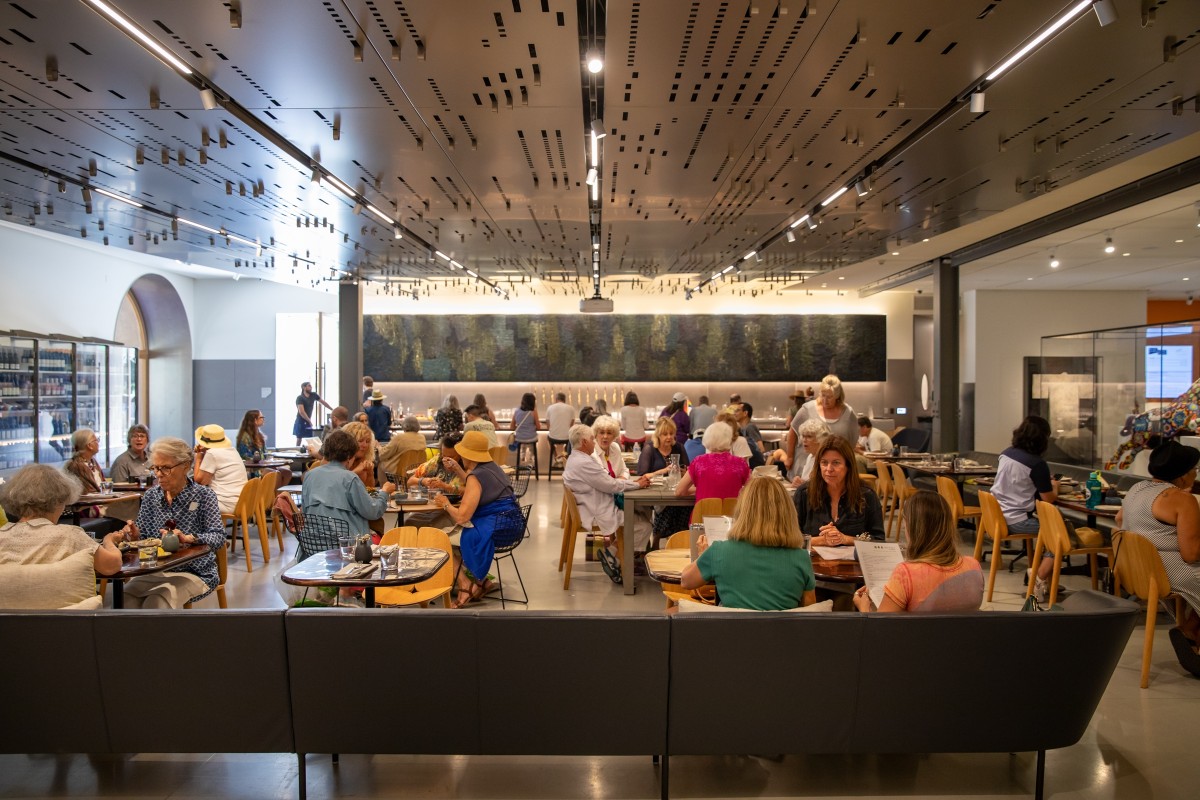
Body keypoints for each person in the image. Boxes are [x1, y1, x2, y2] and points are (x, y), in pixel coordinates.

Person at [1115, 440, 1200, 675]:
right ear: (1182, 475)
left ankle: (1191, 632)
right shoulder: (1183, 500)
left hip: (1138, 570)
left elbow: (1119, 520)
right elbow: (1191, 553)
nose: (1196, 473)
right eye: (1194, 469)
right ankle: (1190, 630)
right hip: (1167, 572)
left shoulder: (1136, 489)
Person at [118, 437, 226, 608]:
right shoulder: (151, 496)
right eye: (156, 468)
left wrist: (189, 538)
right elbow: (144, 537)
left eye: (166, 468)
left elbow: (218, 537)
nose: (159, 474)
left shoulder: (204, 495)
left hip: (195, 571)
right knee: (122, 601)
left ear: (186, 466)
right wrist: (135, 535)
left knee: (157, 602)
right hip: (154, 570)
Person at [680, 477, 816, 611]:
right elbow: (809, 611)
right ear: (788, 513)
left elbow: (686, 581)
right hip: (782, 626)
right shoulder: (802, 558)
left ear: (743, 510)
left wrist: (703, 556)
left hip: (733, 625)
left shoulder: (719, 551)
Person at [0, 465, 124, 609]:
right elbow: (112, 565)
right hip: (65, 621)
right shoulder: (70, 536)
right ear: (58, 501)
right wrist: (109, 541)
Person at [430, 430, 522, 607]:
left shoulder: (476, 476)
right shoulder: (492, 468)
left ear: (466, 455)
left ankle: (465, 584)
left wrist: (445, 503)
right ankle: (482, 582)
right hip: (512, 524)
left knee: (438, 539)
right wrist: (458, 470)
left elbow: (462, 517)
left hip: (497, 530)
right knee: (455, 536)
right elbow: (477, 483)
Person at [853, 491, 984, 613]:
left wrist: (864, 608)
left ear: (912, 528)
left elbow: (880, 627)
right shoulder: (974, 567)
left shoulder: (905, 574)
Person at [563, 424, 652, 580]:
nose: (594, 442)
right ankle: (615, 558)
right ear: (584, 442)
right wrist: (637, 484)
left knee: (640, 515)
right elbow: (611, 485)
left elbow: (610, 481)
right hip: (595, 510)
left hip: (589, 505)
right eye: (592, 439)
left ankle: (613, 555)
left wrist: (632, 483)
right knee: (644, 526)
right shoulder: (585, 463)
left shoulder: (575, 458)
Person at [990, 415, 1061, 601]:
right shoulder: (1037, 464)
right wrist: (1055, 487)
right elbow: (1048, 499)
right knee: (1060, 534)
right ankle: (1039, 576)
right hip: (1017, 520)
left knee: (1054, 529)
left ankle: (1047, 578)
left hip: (997, 516)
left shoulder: (1006, 454)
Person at [301, 429, 395, 557]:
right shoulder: (350, 478)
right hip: (347, 549)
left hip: (313, 547)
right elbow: (372, 512)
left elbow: (305, 511)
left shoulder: (309, 476)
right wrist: (384, 492)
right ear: (349, 457)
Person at [796, 435, 886, 543]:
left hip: (853, 554)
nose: (829, 469)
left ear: (848, 466)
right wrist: (822, 540)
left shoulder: (866, 494)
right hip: (813, 554)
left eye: (836, 463)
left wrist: (846, 539)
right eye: (824, 462)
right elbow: (791, 539)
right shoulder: (804, 493)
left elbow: (879, 539)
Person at [784, 375, 857, 479]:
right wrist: (789, 457)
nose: (825, 400)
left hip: (832, 469)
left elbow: (852, 442)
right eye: (823, 395)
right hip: (805, 464)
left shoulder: (848, 413)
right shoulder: (807, 409)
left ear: (837, 396)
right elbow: (793, 432)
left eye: (829, 397)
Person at [638, 417, 691, 548]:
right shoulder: (650, 449)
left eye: (671, 434)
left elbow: (688, 470)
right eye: (665, 434)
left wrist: (683, 472)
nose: (669, 437)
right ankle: (657, 540)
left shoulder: (679, 447)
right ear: (658, 435)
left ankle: (678, 540)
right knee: (668, 506)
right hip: (654, 491)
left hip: (675, 489)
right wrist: (665, 470)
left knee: (686, 505)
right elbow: (643, 476)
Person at [675, 423, 750, 502]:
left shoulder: (698, 462)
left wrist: (699, 489)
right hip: (733, 510)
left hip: (703, 509)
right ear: (729, 439)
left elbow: (679, 491)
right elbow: (753, 491)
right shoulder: (740, 463)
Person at [192, 424, 248, 515]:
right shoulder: (232, 450)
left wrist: (198, 457)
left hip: (226, 504)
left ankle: (188, 522)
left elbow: (199, 482)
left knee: (192, 501)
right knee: (196, 498)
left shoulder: (212, 453)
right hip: (242, 502)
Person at [236, 410, 293, 486]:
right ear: (255, 420)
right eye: (261, 417)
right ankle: (270, 492)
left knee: (287, 473)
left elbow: (264, 453)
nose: (263, 419)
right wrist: (263, 462)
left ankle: (276, 492)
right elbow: (245, 457)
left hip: (263, 466)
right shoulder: (245, 437)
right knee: (276, 473)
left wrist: (272, 461)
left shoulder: (258, 434)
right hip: (253, 469)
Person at [786, 417, 830, 488]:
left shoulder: (825, 459)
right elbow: (806, 482)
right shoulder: (810, 456)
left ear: (820, 439)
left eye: (809, 436)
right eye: (803, 436)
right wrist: (798, 481)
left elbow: (824, 486)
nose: (804, 440)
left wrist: (803, 485)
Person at [65, 427, 105, 493]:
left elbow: (103, 485)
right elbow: (86, 491)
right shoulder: (75, 466)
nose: (98, 443)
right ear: (89, 446)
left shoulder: (93, 462)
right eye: (96, 440)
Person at [546, 392, 577, 464]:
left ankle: (556, 457)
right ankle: (564, 457)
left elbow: (548, 424)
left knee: (549, 438)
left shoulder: (550, 408)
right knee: (569, 441)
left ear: (556, 399)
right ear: (564, 400)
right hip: (567, 437)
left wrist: (552, 430)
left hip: (553, 437)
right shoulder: (571, 408)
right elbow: (572, 425)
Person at [511, 392, 540, 465]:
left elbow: (512, 427)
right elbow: (538, 427)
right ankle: (532, 459)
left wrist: (521, 427)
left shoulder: (516, 411)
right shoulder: (533, 412)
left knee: (523, 443)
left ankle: (522, 459)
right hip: (531, 437)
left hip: (519, 438)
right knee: (531, 443)